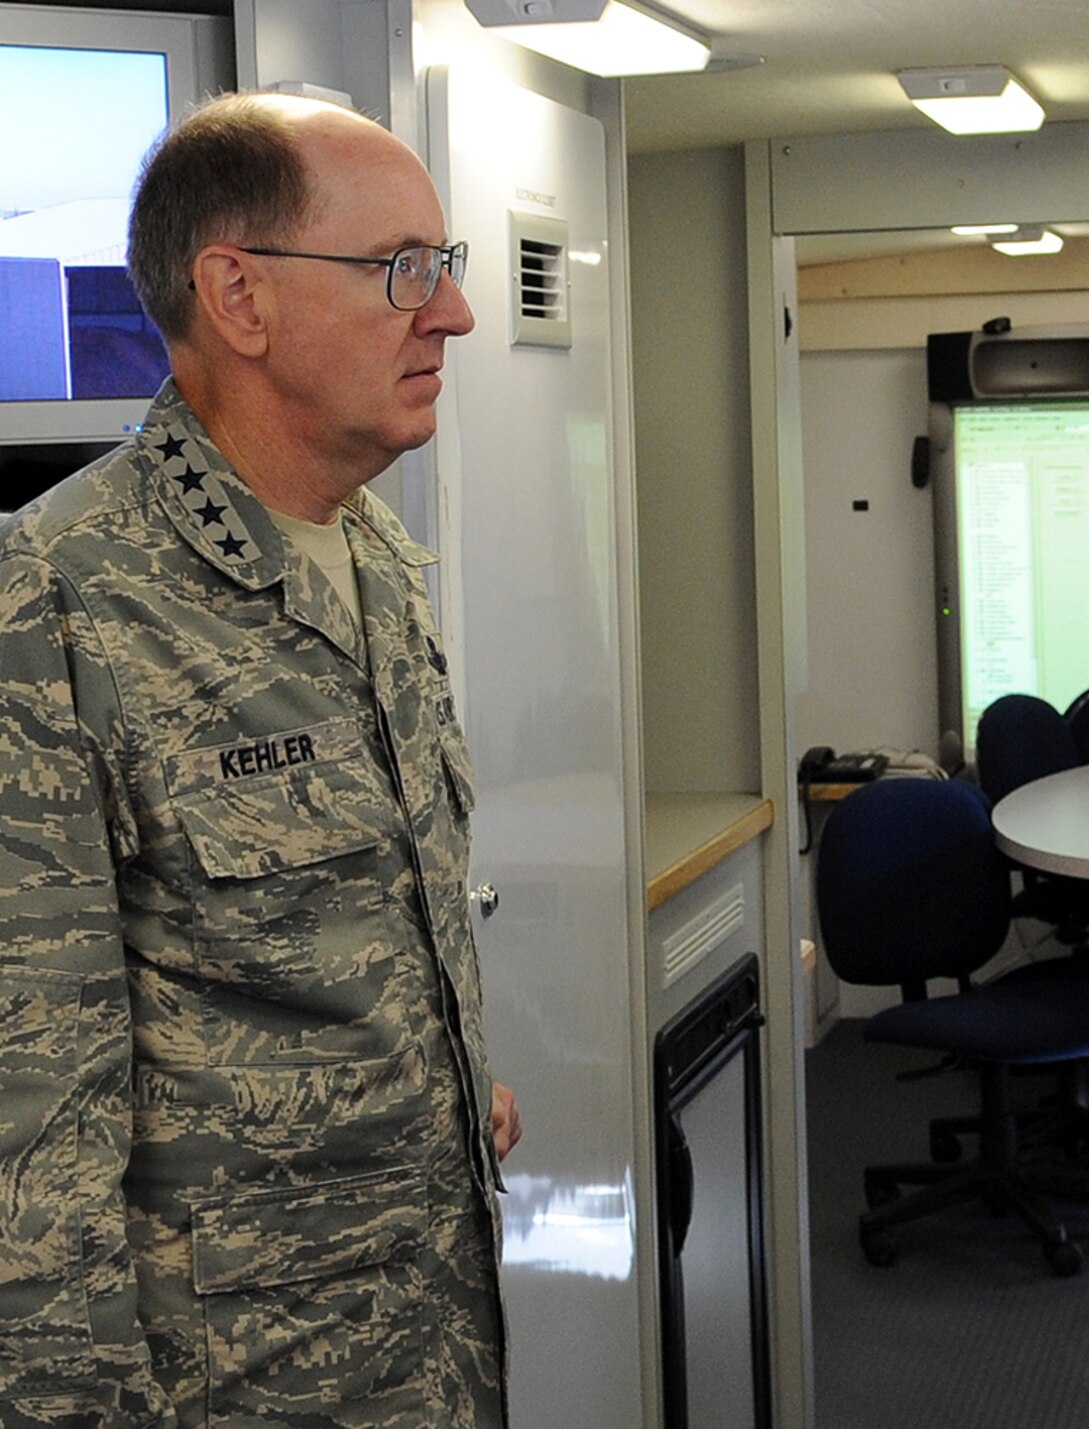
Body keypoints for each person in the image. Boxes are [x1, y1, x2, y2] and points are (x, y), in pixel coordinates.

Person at [0, 93, 521, 1426]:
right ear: (238, 294)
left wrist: (441, 1074)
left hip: (432, 1339)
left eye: (447, 270)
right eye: (407, 270)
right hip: (238, 1386)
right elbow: (29, 1129)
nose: (453, 314)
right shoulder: (56, 602)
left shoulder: (376, 562)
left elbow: (337, 942)